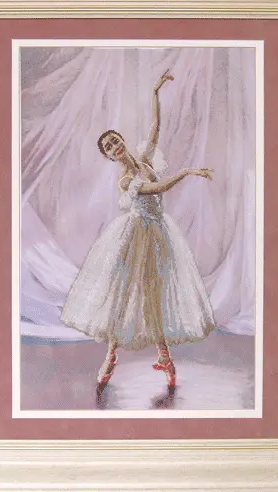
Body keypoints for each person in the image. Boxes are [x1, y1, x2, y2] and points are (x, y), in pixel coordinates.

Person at [60, 70, 215, 393]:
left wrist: (155, 93)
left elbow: (155, 127)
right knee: (125, 294)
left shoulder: (144, 160)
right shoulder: (126, 180)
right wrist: (187, 171)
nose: (114, 146)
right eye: (108, 147)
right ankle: (111, 355)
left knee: (154, 294)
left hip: (158, 233)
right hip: (134, 237)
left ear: (122, 140)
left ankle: (165, 358)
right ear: (107, 156)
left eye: (114, 140)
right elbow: (159, 188)